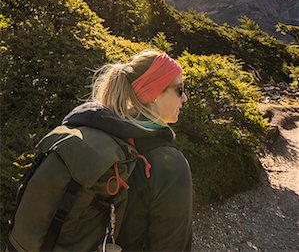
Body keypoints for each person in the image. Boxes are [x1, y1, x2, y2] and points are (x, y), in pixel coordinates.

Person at [8, 50, 192, 252]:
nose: (184, 99)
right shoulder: (169, 164)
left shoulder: (94, 128)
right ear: (154, 92)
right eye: (179, 89)